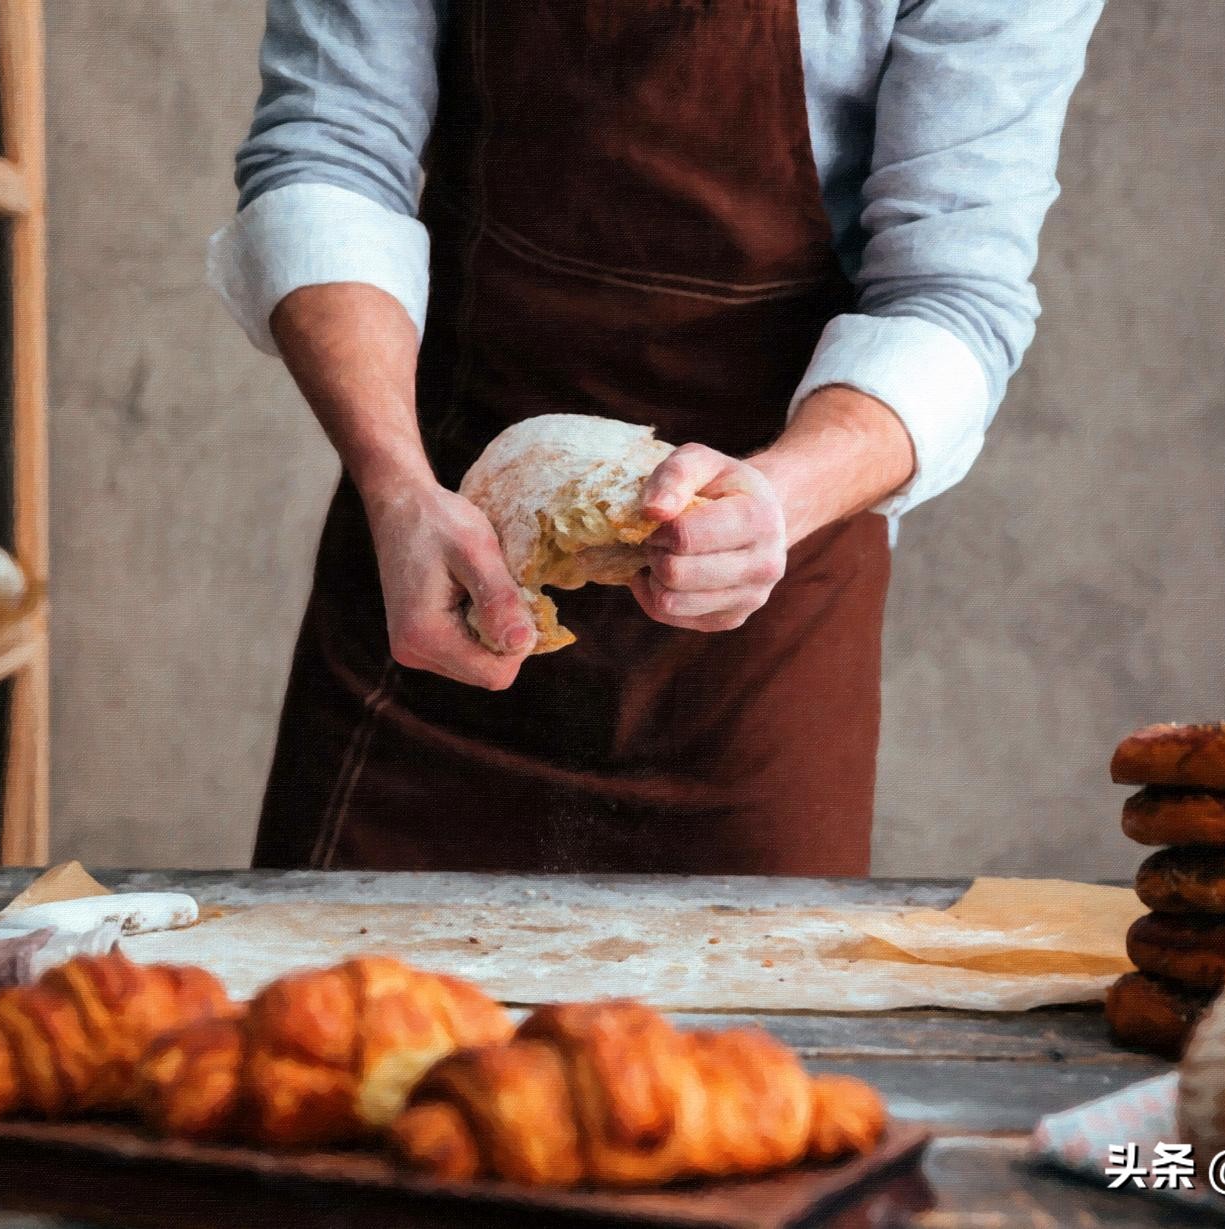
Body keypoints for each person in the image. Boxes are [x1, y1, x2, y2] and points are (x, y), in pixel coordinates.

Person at [211, 0, 1104, 876]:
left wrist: (771, 504)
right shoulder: (411, 497)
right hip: (435, 541)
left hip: (766, 591)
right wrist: (395, 481)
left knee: (749, 1017)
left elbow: (950, 293)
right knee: (340, 1018)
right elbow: (328, 151)